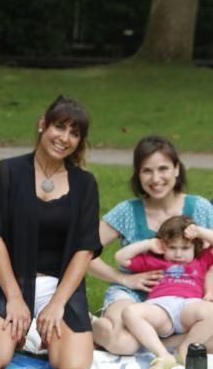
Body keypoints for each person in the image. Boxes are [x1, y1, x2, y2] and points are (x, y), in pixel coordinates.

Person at [0, 95, 101, 369]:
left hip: (59, 287)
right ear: (43, 125)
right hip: (9, 283)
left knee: (73, 368)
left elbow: (84, 250)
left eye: (74, 133)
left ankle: (37, 332)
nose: (64, 138)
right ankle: (20, 331)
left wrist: (56, 304)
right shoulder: (8, 172)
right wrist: (14, 298)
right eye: (59, 127)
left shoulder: (85, 184)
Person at [89, 135, 213, 355]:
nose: (156, 178)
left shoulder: (200, 208)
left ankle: (164, 346)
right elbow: (82, 251)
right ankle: (89, 326)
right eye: (147, 171)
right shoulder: (127, 210)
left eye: (163, 168)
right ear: (138, 174)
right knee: (123, 344)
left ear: (177, 169)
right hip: (133, 294)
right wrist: (123, 278)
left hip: (187, 295)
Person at [114, 216, 213, 369]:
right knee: (130, 312)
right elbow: (121, 258)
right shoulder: (154, 261)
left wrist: (199, 232)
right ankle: (163, 355)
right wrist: (147, 244)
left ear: (195, 247)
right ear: (163, 246)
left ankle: (184, 350)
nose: (178, 254)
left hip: (190, 307)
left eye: (185, 248)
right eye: (172, 248)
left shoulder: (200, 261)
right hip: (161, 307)